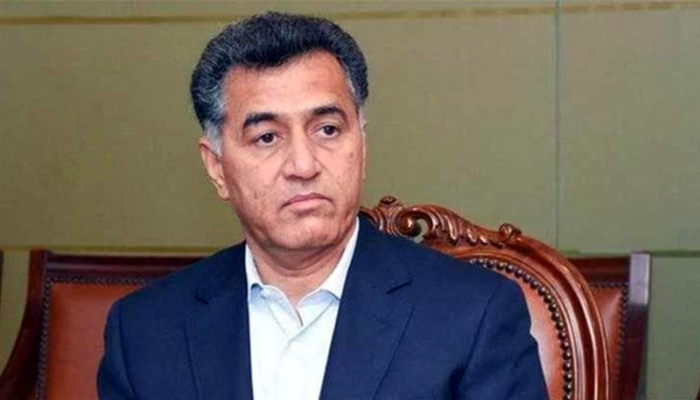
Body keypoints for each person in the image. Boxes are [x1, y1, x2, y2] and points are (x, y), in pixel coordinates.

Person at [97, 11, 547, 400]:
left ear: (361, 145)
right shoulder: (145, 332)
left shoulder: (473, 315)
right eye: (267, 137)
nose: (303, 164)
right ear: (216, 167)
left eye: (327, 130)